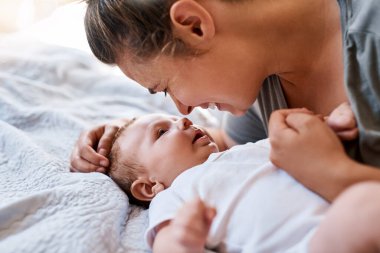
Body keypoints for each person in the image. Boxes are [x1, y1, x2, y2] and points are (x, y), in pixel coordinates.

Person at [71, 0, 380, 203]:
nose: (183, 109)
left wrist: (332, 173)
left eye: (166, 87)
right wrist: (124, 141)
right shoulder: (259, 78)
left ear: (195, 25)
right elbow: (226, 152)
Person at [106, 113, 380, 253]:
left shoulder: (243, 151)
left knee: (363, 203)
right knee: (364, 206)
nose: (185, 120)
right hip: (303, 245)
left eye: (179, 119)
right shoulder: (175, 193)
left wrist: (331, 122)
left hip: (333, 218)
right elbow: (165, 245)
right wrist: (183, 239)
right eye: (162, 132)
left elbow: (301, 143)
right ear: (149, 186)